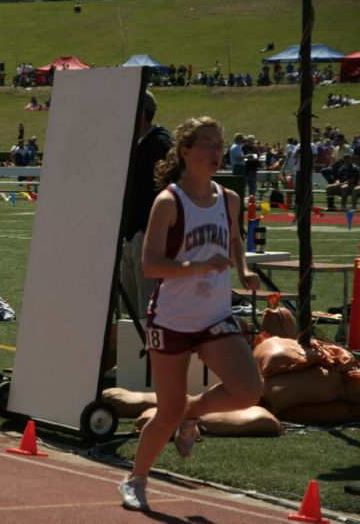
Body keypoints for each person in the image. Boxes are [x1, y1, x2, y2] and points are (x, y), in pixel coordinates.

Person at [119, 117, 263, 512]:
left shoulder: (228, 199)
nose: (217, 153)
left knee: (248, 390)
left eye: (220, 145)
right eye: (208, 145)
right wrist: (199, 267)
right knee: (165, 410)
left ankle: (191, 415)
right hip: (172, 319)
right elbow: (150, 265)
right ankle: (136, 478)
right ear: (186, 152)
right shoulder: (169, 202)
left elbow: (233, 239)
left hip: (215, 314)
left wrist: (244, 268)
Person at [121, 90, 173, 319]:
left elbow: (169, 186)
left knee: (147, 306)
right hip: (129, 233)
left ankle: (148, 354)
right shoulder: (135, 143)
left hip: (146, 232)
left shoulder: (159, 143)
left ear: (142, 113)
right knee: (127, 309)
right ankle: (127, 354)